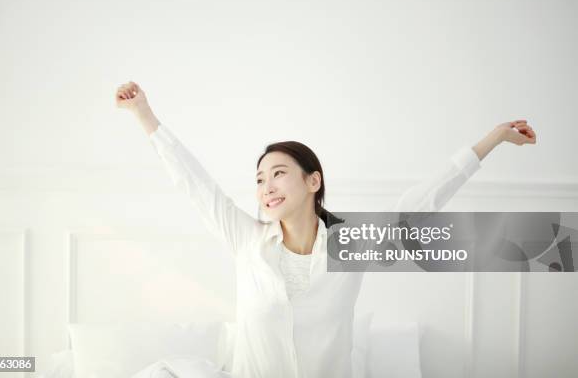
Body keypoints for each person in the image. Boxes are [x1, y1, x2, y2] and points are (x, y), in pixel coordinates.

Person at [115, 81, 537, 378]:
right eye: (260, 179)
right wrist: (144, 115)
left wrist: (492, 140)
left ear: (312, 181)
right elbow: (195, 184)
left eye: (278, 174)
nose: (266, 187)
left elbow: (419, 205)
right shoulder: (248, 241)